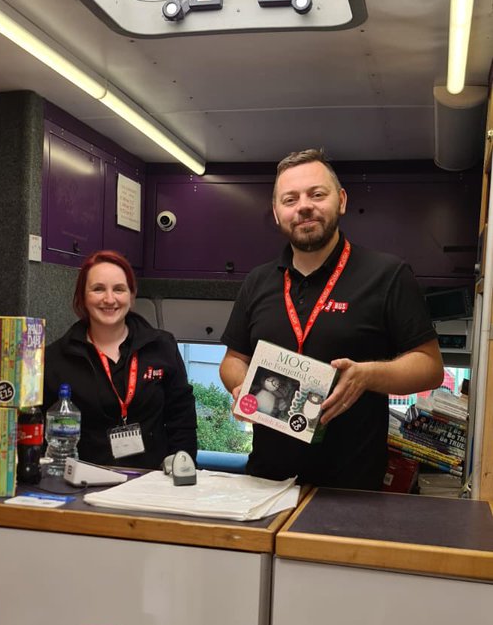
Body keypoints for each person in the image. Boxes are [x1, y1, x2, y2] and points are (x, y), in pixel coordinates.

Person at [220, 149, 444, 489]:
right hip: (266, 480)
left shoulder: (388, 275)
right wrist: (240, 386)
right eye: (290, 199)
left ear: (340, 201)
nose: (304, 206)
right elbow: (233, 360)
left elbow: (430, 366)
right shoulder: (257, 281)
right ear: (278, 214)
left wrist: (369, 375)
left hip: (352, 487)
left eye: (316, 194)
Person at [44, 250, 197, 469]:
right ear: (82, 297)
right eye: (98, 289)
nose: (109, 299)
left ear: (132, 295)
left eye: (119, 289)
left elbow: (182, 419)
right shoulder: (56, 358)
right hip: (83, 485)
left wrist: (182, 468)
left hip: (151, 483)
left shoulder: (161, 346)